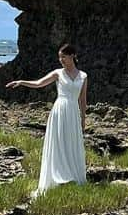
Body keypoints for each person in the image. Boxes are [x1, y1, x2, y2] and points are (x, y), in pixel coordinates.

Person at [7, 44, 87, 194]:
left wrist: (83, 119)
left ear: (72, 56)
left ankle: (72, 176)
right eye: (59, 57)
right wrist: (21, 82)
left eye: (63, 56)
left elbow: (83, 101)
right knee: (59, 142)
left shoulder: (83, 76)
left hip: (73, 112)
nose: (61, 59)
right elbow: (39, 83)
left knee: (71, 142)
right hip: (60, 110)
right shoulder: (58, 73)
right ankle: (58, 176)